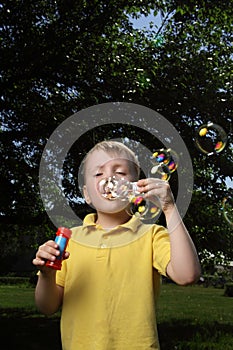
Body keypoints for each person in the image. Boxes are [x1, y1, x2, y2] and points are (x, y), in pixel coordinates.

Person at [33, 140, 201, 350]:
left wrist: (169, 207)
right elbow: (46, 307)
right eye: (98, 174)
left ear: (137, 187)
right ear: (86, 194)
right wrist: (47, 275)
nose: (109, 179)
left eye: (120, 172)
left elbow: (187, 275)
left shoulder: (150, 235)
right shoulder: (70, 240)